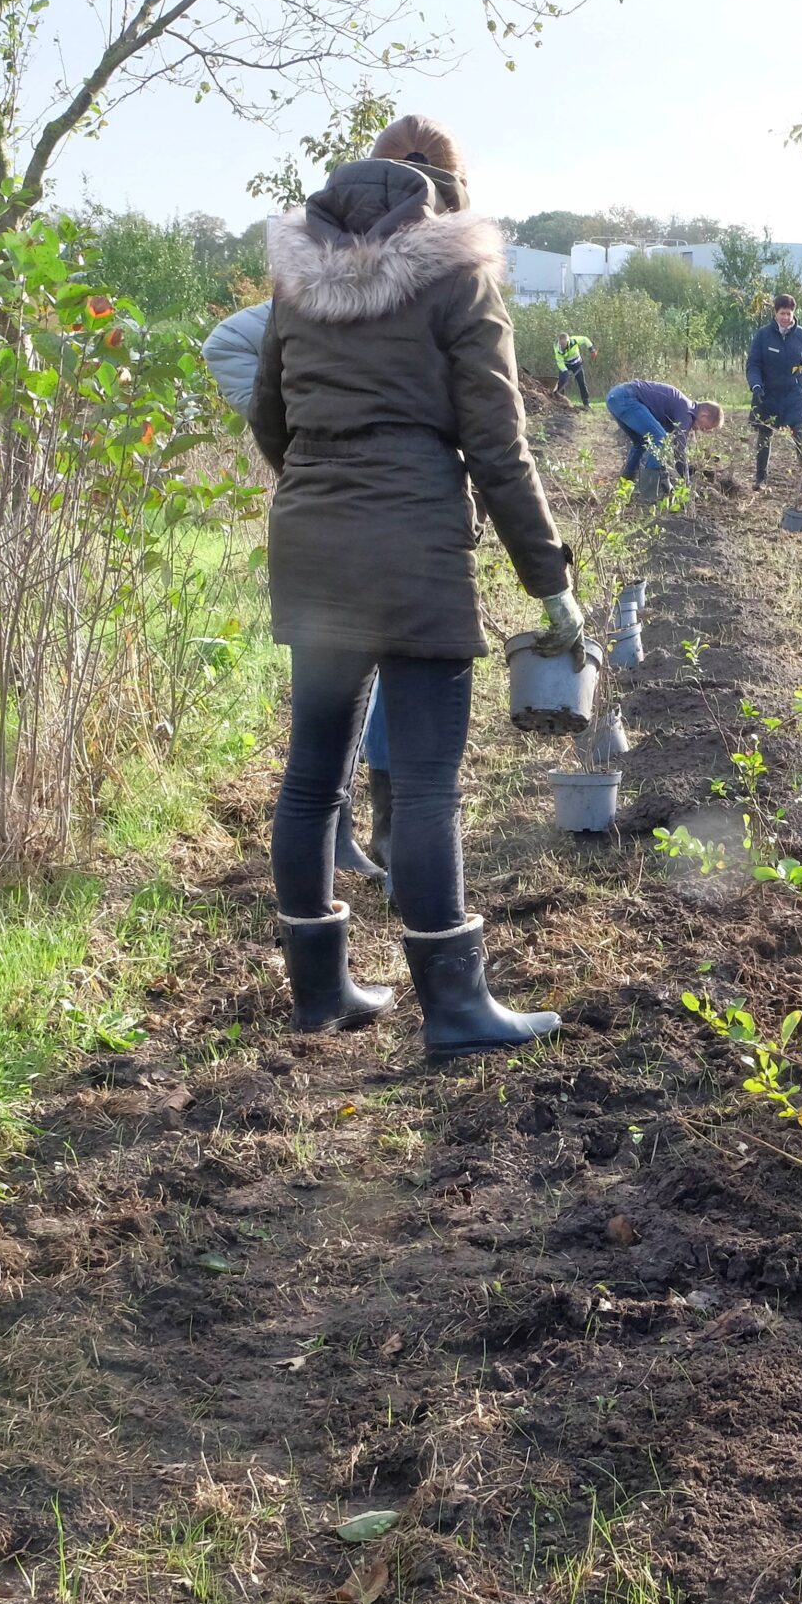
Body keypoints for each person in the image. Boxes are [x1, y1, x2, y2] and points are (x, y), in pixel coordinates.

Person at [252, 114, 586, 1055]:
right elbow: (497, 441)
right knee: (431, 783)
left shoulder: (298, 268)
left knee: (314, 770)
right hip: (413, 544)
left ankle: (319, 993)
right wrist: (548, 578)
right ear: (446, 184)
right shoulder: (458, 267)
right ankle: (453, 1006)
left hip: (312, 537)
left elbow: (268, 414)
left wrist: (324, 487)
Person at [203, 298, 384, 879]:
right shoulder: (318, 292)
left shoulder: (425, 287)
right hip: (331, 521)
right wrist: (296, 441)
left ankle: (373, 835)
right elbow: (224, 343)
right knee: (338, 697)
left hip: (391, 514)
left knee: (378, 685)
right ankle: (338, 838)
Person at [745, 294, 802, 489]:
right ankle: (760, 479)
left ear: (793, 313)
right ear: (775, 313)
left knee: (800, 433)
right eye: (782, 313)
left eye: (789, 313)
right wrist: (756, 385)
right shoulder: (763, 335)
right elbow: (753, 364)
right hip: (768, 394)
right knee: (764, 435)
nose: (785, 317)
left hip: (794, 395)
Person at [603, 378, 723, 494]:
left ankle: (624, 486)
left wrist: (667, 477)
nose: (703, 430)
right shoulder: (687, 412)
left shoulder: (683, 408)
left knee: (641, 444)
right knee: (661, 439)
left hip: (615, 397)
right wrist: (687, 483)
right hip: (626, 398)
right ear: (704, 415)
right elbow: (679, 452)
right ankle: (648, 493)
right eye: (707, 427)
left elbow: (670, 451)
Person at [553, 332, 596, 406]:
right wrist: (565, 371)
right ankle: (560, 401)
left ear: (567, 341)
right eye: (561, 344)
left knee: (581, 382)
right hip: (565, 365)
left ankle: (586, 402)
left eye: (563, 344)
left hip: (577, 364)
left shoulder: (574, 340)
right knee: (562, 382)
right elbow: (560, 362)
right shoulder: (557, 349)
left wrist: (592, 349)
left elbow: (585, 339)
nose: (562, 346)